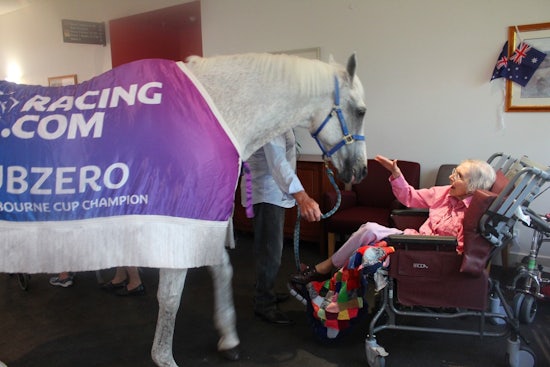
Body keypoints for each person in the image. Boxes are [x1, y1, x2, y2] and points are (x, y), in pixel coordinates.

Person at [291, 154, 497, 285]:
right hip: (412, 240)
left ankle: (325, 272)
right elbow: (410, 197)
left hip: (427, 254)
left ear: (472, 186)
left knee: (367, 247)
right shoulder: (445, 193)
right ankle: (327, 270)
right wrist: (396, 174)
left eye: (459, 176)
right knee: (369, 229)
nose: (452, 177)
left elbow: (458, 251)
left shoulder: (473, 214)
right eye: (454, 172)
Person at [243, 130, 322, 325]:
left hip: (272, 194)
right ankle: (264, 304)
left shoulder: (282, 122)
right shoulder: (271, 124)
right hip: (266, 194)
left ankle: (265, 291)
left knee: (269, 250)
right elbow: (278, 163)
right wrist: (302, 197)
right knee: (270, 253)